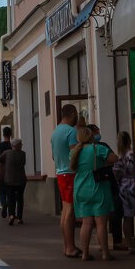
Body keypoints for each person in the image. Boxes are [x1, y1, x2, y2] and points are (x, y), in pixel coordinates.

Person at [71, 125, 119, 261]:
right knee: (101, 223)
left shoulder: (74, 152)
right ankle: (105, 254)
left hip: (80, 189)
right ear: (91, 136)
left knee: (86, 223)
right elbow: (115, 159)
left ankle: (85, 254)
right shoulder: (98, 148)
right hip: (98, 187)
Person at [51, 103, 80, 257]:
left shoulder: (55, 132)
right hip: (70, 173)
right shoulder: (71, 131)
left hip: (60, 173)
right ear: (73, 113)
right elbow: (74, 155)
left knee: (65, 210)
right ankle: (70, 248)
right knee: (70, 211)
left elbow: (53, 156)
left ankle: (67, 245)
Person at [91, 124, 126, 250]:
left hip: (93, 184)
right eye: (96, 132)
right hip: (107, 181)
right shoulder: (102, 147)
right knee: (113, 213)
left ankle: (103, 243)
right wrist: (105, 162)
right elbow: (114, 159)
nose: (98, 135)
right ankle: (115, 241)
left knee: (99, 217)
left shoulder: (82, 149)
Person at [113, 131, 135, 253]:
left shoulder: (119, 157)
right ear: (129, 140)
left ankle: (130, 245)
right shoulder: (133, 155)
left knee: (127, 218)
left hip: (124, 189)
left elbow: (116, 174)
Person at [1, 137, 27, 225]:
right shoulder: (23, 154)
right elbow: (23, 163)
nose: (22, 145)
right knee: (20, 198)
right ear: (18, 145)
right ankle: (19, 218)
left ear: (12, 145)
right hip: (21, 180)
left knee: (10, 198)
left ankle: (11, 215)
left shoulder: (6, 153)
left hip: (9, 180)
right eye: (21, 144)